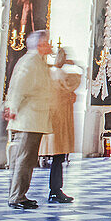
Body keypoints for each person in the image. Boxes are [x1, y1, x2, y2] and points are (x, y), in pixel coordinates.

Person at [3, 30, 53, 210]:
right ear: (40, 45)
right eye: (47, 43)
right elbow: (18, 87)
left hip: (33, 119)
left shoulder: (39, 62)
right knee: (24, 159)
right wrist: (13, 108)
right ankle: (17, 196)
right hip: (27, 119)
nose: (51, 46)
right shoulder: (31, 62)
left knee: (25, 159)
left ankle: (18, 194)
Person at [39, 46, 81, 203]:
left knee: (57, 156)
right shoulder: (60, 74)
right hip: (59, 119)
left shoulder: (49, 73)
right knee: (58, 156)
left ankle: (54, 190)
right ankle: (55, 190)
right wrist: (76, 65)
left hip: (51, 117)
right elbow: (75, 81)